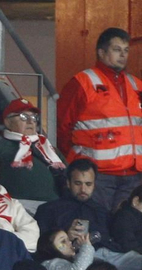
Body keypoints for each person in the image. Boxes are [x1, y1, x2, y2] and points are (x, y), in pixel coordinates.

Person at [56, 28, 142, 214]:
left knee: (126, 230)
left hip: (132, 175)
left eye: (126, 50)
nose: (123, 55)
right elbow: (62, 127)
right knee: (97, 226)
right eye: (117, 49)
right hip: (96, 175)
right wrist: (77, 164)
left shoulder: (136, 85)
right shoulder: (82, 83)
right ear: (101, 52)